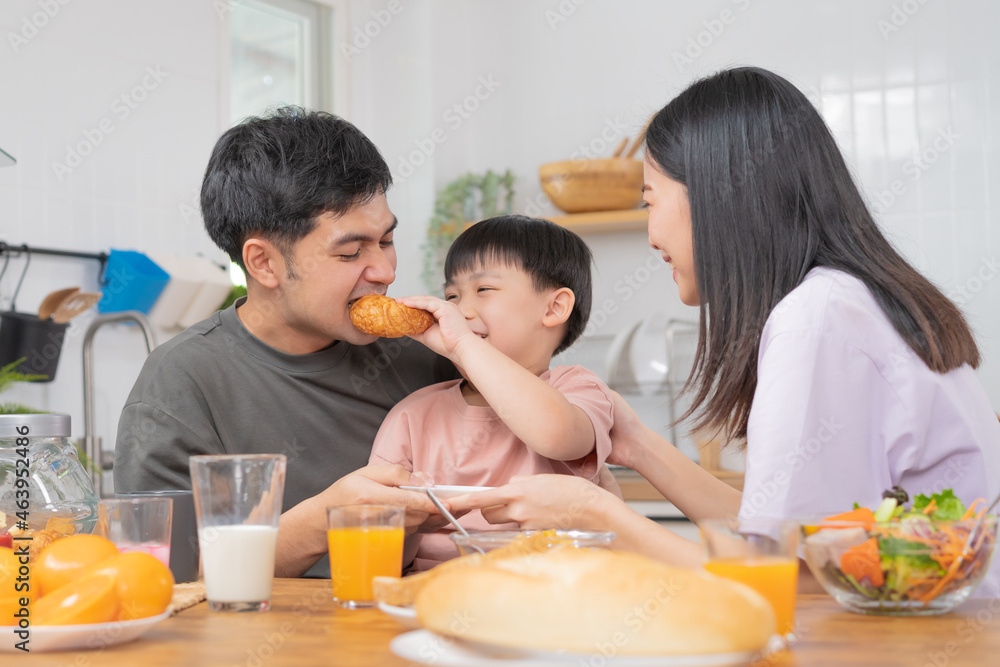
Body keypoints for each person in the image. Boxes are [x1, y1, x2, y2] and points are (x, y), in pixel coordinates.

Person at [448, 67, 1000, 594]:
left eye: (650, 201)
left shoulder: (816, 318)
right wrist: (636, 443)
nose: (651, 235)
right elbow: (784, 539)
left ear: (716, 196)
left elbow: (789, 580)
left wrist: (592, 513)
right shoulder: (841, 298)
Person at [114, 107, 460, 578]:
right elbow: (161, 577)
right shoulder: (181, 381)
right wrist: (324, 521)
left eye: (387, 240)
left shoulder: (428, 355)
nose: (385, 271)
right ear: (264, 264)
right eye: (350, 252)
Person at [370, 215, 620, 570]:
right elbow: (376, 551)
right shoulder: (413, 415)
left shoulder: (579, 391)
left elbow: (557, 436)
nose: (461, 309)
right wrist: (408, 523)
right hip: (433, 593)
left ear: (554, 307)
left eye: (483, 290)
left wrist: (462, 344)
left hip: (553, 596)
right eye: (451, 295)